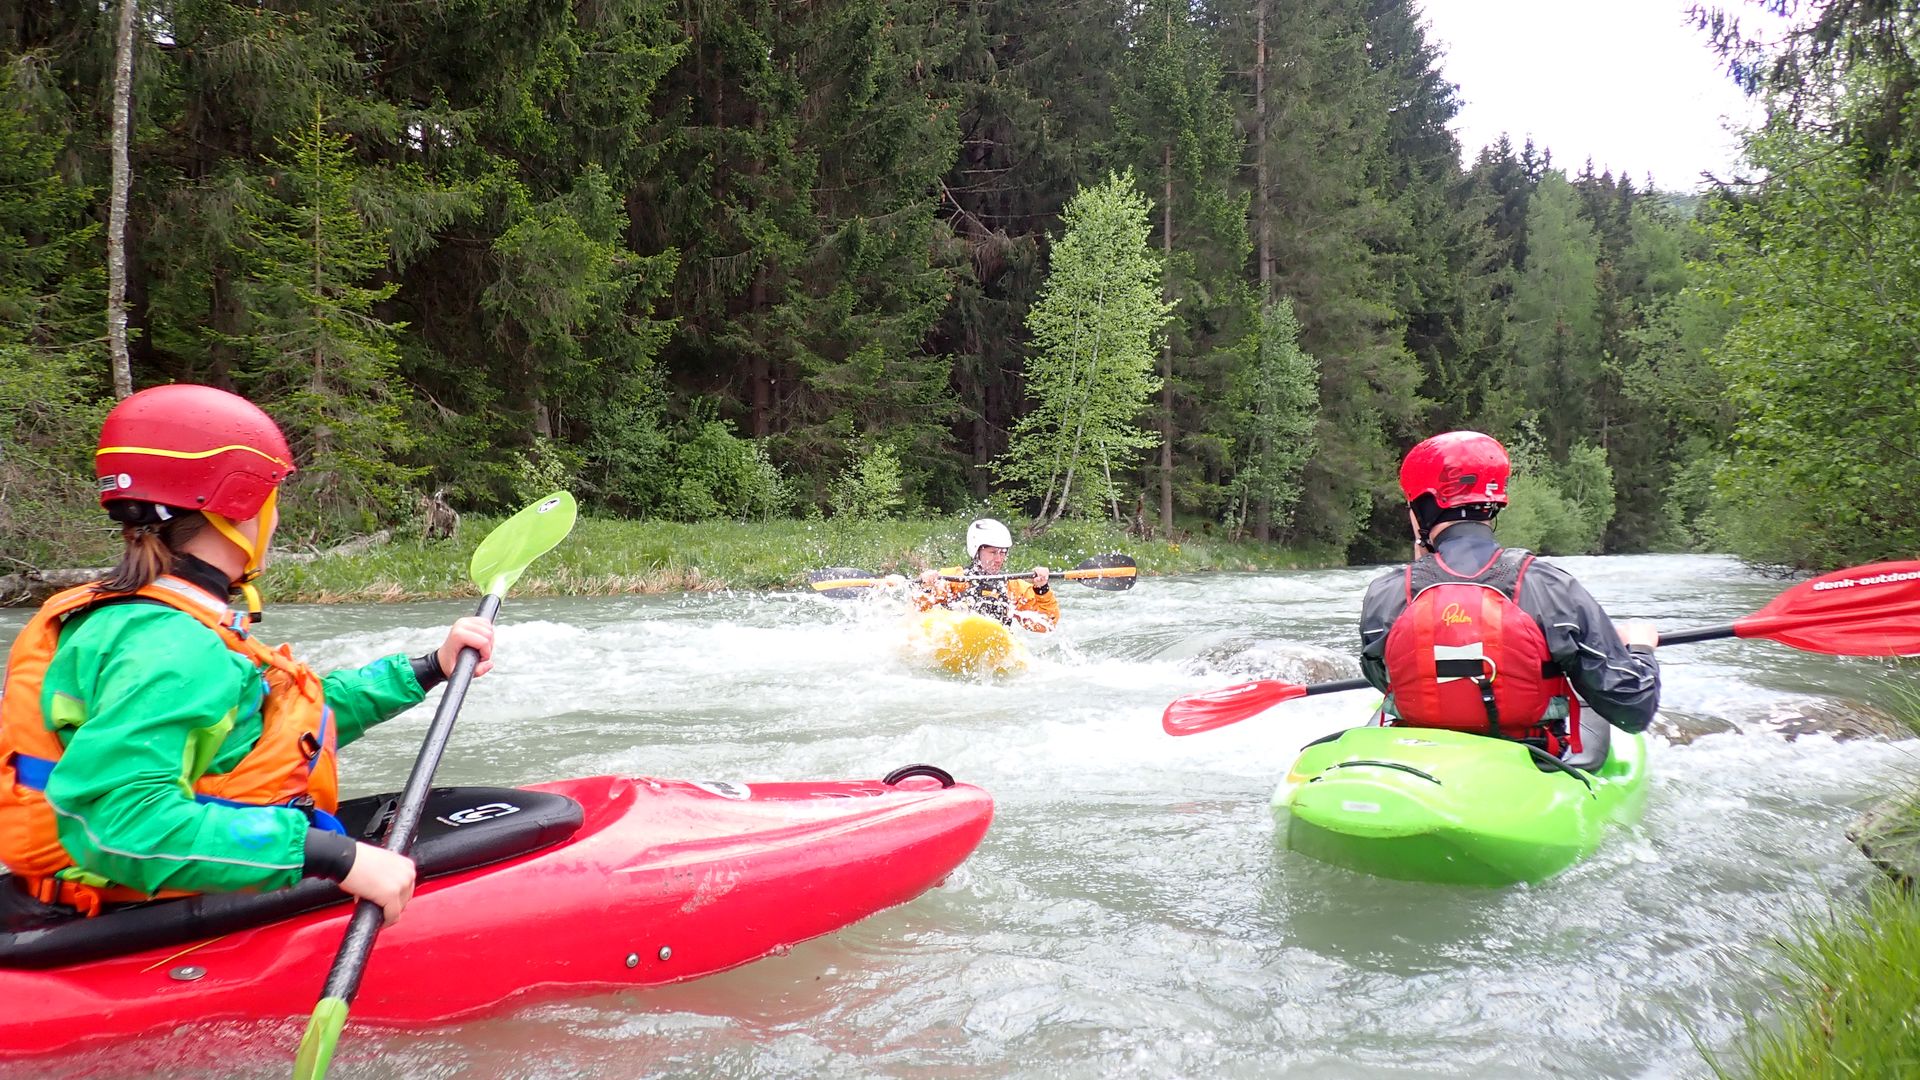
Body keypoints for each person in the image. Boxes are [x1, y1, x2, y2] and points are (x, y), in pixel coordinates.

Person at [0, 384, 494, 925]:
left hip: (115, 887)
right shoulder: (172, 644)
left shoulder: (127, 615)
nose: (275, 519)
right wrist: (333, 856)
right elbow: (122, 825)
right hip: (143, 909)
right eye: (273, 501)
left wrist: (428, 669)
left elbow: (273, 728)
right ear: (238, 506)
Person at [1357, 431, 1659, 763]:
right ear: (1494, 505)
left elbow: (1386, 679)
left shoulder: (1385, 593)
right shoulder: (1550, 587)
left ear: (1420, 509)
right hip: (1530, 760)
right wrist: (1641, 648)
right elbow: (1633, 709)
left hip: (1420, 760)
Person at [911, 518, 1060, 631]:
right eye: (993, 552)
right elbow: (918, 610)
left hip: (994, 648)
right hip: (956, 642)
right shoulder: (954, 578)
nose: (999, 559)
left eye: (1003, 553)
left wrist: (1042, 588)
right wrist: (927, 586)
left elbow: (1047, 624)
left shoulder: (1013, 586)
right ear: (977, 552)